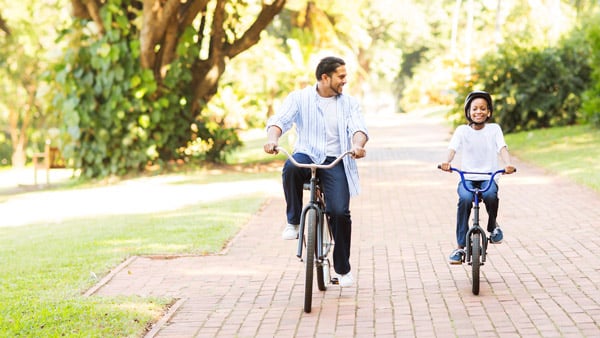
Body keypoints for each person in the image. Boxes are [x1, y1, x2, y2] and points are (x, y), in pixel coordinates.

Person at [263, 56, 369, 287]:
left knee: (339, 213)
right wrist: (272, 140)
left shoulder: (349, 103)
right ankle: (293, 222)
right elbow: (279, 120)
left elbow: (359, 128)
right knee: (291, 167)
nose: (345, 81)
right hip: (307, 153)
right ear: (325, 77)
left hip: (336, 159)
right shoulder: (300, 98)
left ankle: (342, 269)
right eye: (341, 76)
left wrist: (358, 145)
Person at [439, 90, 516, 264]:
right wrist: (446, 162)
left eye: (483, 108)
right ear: (468, 111)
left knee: (490, 195)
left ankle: (492, 227)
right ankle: (460, 247)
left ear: (488, 111)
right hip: (468, 178)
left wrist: (508, 164)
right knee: (465, 199)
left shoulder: (494, 129)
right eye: (475, 108)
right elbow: (452, 148)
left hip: (488, 178)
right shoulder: (462, 131)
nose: (479, 112)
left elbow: (502, 147)